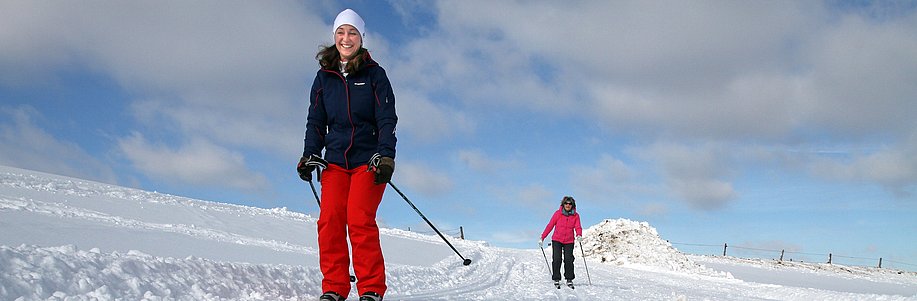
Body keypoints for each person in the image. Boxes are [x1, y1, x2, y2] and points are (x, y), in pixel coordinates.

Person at [297, 8, 397, 301]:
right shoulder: (323, 78)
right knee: (329, 220)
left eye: (352, 32)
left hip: (369, 161)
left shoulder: (375, 75)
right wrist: (309, 154)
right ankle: (334, 288)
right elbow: (315, 121)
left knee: (358, 219)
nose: (346, 37)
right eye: (341, 32)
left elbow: (387, 119)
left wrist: (386, 156)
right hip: (336, 161)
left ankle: (371, 289)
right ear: (334, 37)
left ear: (361, 38)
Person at [539, 196, 583, 288]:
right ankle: (556, 278)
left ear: (572, 205)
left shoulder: (576, 215)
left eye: (570, 203)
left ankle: (569, 279)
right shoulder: (558, 214)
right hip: (557, 240)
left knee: (568, 260)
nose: (568, 205)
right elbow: (550, 225)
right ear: (563, 204)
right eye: (566, 203)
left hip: (569, 240)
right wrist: (542, 237)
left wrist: (579, 234)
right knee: (557, 259)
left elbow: (578, 227)